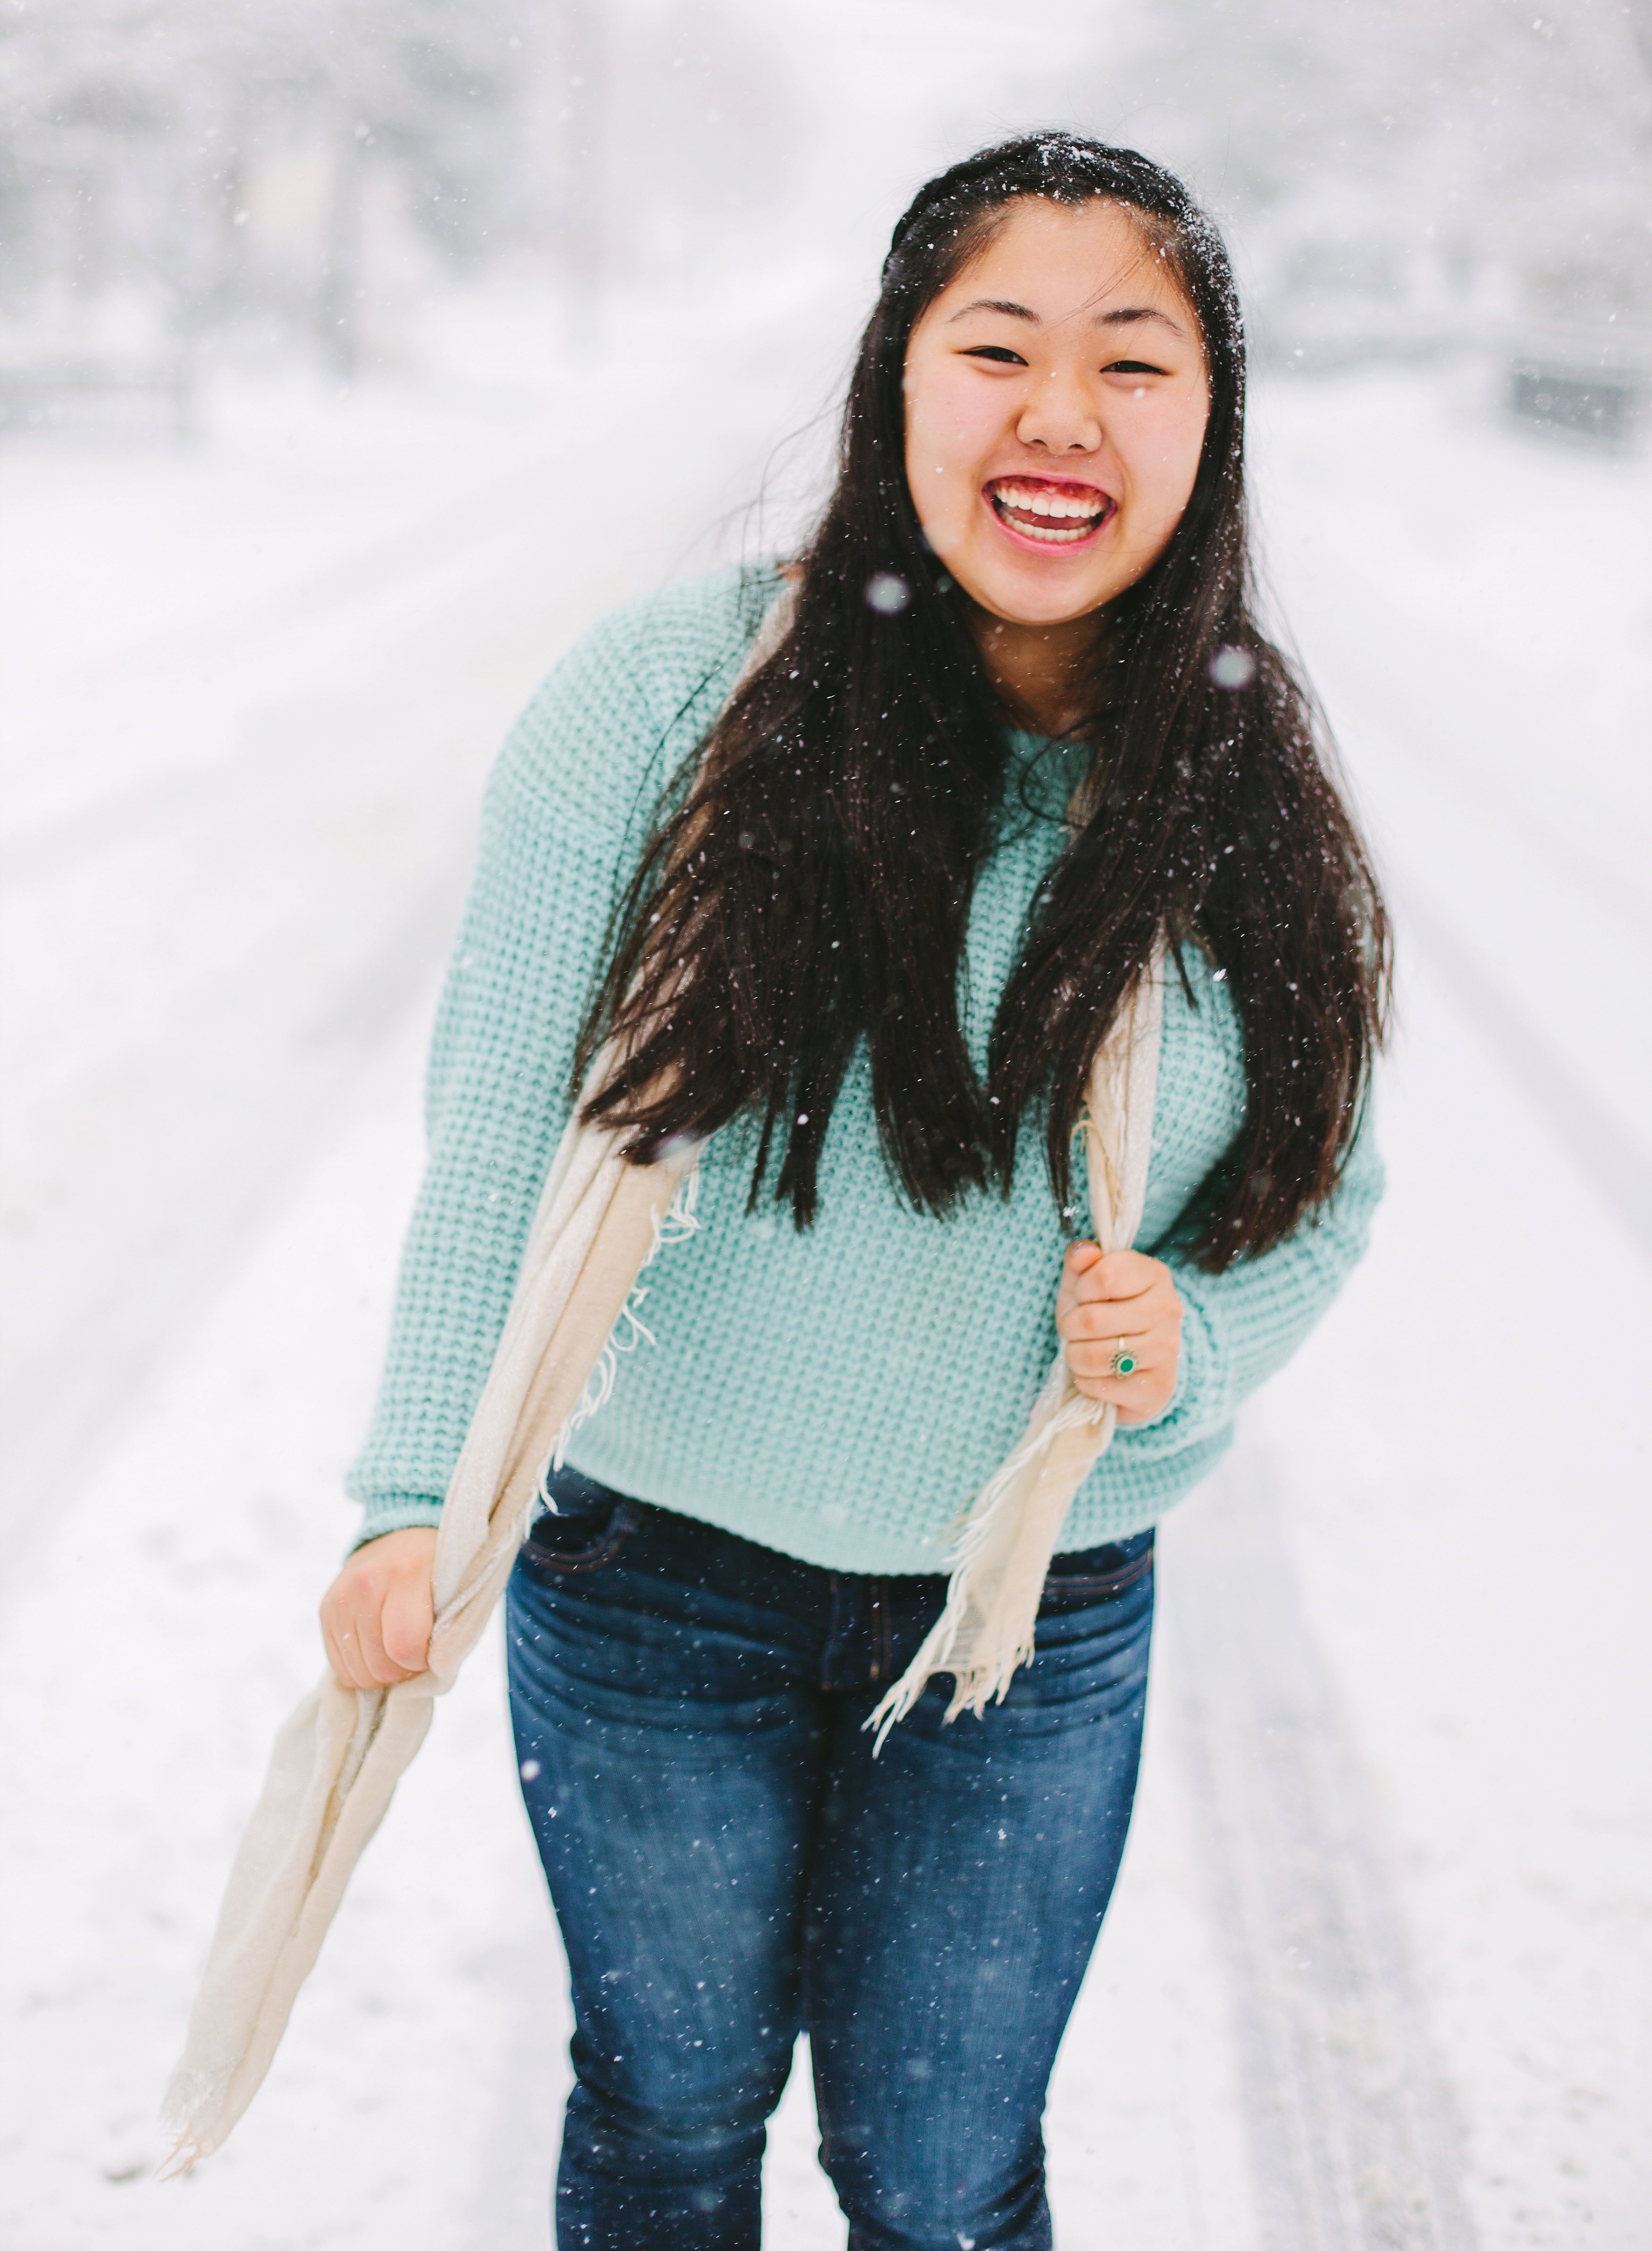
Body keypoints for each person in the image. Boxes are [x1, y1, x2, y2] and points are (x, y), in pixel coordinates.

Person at [318, 134, 1389, 2251]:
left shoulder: (1241, 799)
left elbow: (1317, 1189)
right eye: (993, 344)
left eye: (1131, 361)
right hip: (650, 1579)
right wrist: (405, 1486)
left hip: (1031, 1606)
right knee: (664, 2105)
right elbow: (501, 1128)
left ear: (1210, 424)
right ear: (896, 378)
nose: (1056, 413)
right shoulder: (662, 702)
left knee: (937, 2171)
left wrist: (1189, 1336)